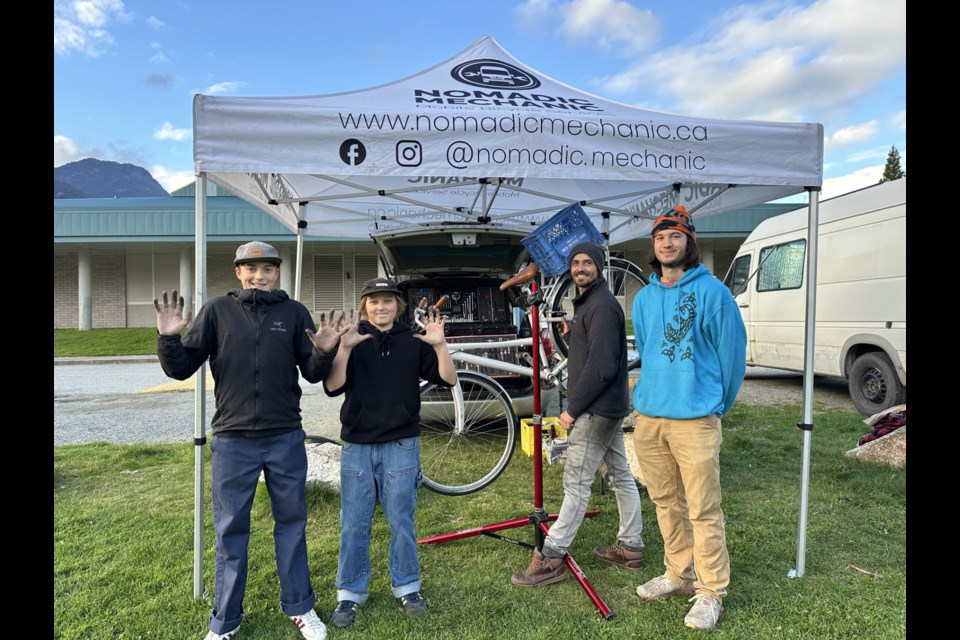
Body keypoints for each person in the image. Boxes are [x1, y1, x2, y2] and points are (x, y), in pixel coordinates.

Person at [154, 241, 343, 640]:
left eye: (268, 269)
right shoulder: (217, 311)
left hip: (285, 436)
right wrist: (169, 339)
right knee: (231, 529)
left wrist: (324, 353)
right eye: (251, 269)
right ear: (238, 272)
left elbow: (311, 373)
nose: (259, 276)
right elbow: (182, 368)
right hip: (232, 438)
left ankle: (300, 607)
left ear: (277, 273)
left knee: (291, 523)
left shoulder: (293, 313)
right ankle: (225, 620)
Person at [630, 206, 747, 631]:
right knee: (665, 502)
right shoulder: (643, 299)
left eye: (676, 236)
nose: (667, 242)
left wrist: (715, 405)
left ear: (689, 243)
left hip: (695, 418)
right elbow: (647, 347)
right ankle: (678, 573)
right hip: (650, 418)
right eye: (661, 236)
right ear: (653, 246)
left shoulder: (713, 293)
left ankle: (711, 590)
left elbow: (732, 357)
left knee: (703, 508)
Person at [323, 277, 457, 629]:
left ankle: (407, 586)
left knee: (402, 518)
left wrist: (440, 346)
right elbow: (333, 387)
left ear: (399, 306)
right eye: (373, 301)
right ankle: (350, 593)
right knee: (353, 522)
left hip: (402, 443)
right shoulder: (353, 337)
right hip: (357, 445)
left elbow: (449, 379)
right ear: (364, 305)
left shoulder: (414, 341)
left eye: (387, 300)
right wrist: (345, 348)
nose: (380, 307)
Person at [510, 241, 645, 587]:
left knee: (576, 481)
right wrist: (575, 333)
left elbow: (601, 367)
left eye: (587, 263)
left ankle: (551, 557)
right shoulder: (590, 304)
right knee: (620, 474)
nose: (580, 268)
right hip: (609, 406)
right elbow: (595, 351)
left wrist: (572, 409)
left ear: (599, 267)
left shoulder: (600, 306)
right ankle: (630, 546)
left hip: (596, 409)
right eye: (576, 263)